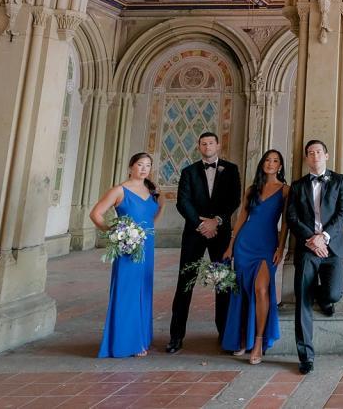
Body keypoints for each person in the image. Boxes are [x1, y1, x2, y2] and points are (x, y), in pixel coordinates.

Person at [167, 132, 241, 354]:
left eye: (211, 143)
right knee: (185, 283)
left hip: (220, 232)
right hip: (194, 232)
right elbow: (183, 201)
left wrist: (216, 221)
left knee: (223, 282)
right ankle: (176, 336)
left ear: (218, 145)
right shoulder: (188, 172)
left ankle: (225, 334)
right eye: (203, 143)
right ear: (199, 147)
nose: (207, 146)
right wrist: (200, 225)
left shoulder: (231, 169)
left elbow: (234, 199)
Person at [286, 140, 343, 375]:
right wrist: (311, 240)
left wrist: (323, 237)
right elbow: (292, 217)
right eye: (310, 153)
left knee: (334, 292)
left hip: (332, 248)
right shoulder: (297, 186)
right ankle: (306, 356)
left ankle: (324, 299)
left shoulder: (340, 181)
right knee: (303, 298)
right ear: (306, 158)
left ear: (327, 155)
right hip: (307, 248)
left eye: (318, 152)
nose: (315, 156)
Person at [221, 149, 290, 364]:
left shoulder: (286, 190)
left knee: (261, 290)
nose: (270, 163)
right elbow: (241, 219)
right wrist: (231, 246)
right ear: (262, 164)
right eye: (267, 160)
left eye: (275, 161)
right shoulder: (252, 189)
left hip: (267, 245)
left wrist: (281, 248)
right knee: (242, 292)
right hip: (245, 244)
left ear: (280, 166)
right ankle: (242, 338)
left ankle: (258, 341)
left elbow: (286, 223)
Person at [92, 152, 163, 358]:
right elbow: (95, 214)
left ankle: (140, 338)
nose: (144, 169)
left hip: (146, 247)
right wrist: (114, 233)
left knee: (143, 291)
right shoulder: (119, 190)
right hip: (127, 248)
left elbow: (157, 210)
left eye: (148, 165)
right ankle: (126, 343)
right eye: (140, 164)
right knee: (127, 293)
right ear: (131, 166)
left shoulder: (152, 190)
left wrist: (148, 230)